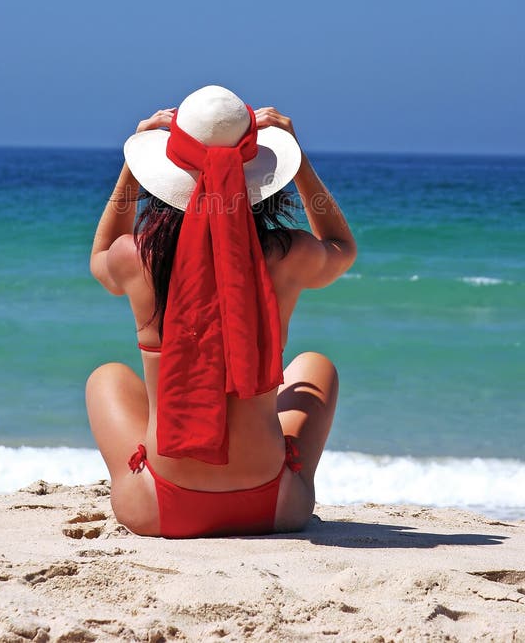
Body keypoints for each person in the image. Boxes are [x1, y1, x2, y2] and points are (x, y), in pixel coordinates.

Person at [86, 85, 356, 538]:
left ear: (164, 176)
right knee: (314, 368)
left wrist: (130, 170)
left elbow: (99, 258)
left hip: (159, 508)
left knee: (107, 378)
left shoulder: (137, 258)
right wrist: (302, 164)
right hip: (275, 508)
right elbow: (343, 248)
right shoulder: (290, 254)